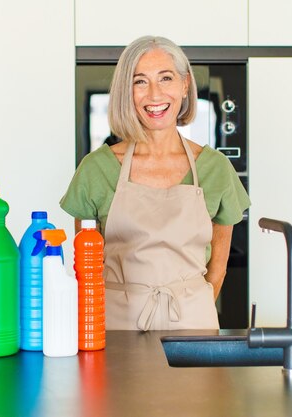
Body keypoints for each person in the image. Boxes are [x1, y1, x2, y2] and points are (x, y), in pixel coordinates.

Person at [61, 35, 250, 331]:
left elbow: (218, 269)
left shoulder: (215, 169)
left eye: (165, 78)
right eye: (140, 82)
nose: (154, 94)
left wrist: (192, 309)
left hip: (193, 327)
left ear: (184, 85)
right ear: (127, 92)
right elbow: (86, 270)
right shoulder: (97, 169)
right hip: (116, 329)